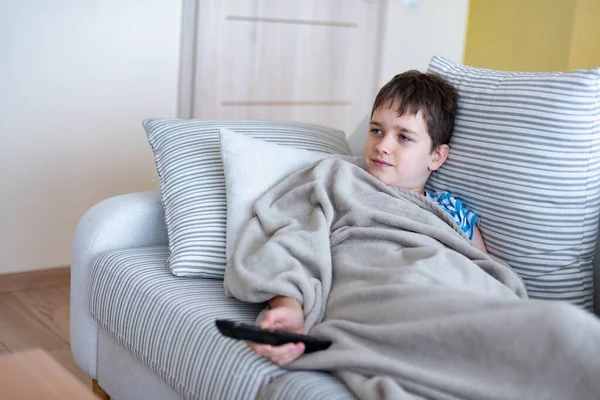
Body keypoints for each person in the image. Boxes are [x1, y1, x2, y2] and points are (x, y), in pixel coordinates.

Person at [247, 70, 487, 366]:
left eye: (403, 137)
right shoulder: (340, 182)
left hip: (443, 294)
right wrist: (289, 306)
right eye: (376, 130)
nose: (383, 145)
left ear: (436, 157)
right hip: (379, 291)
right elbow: (294, 244)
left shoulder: (451, 212)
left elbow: (485, 271)